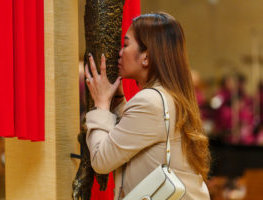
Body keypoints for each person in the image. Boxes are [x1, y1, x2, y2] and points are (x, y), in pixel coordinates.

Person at [84, 12, 210, 199]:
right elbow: (138, 136)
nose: (120, 52)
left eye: (126, 45)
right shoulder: (170, 96)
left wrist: (101, 105)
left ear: (146, 57)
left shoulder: (150, 101)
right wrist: (118, 101)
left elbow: (101, 160)